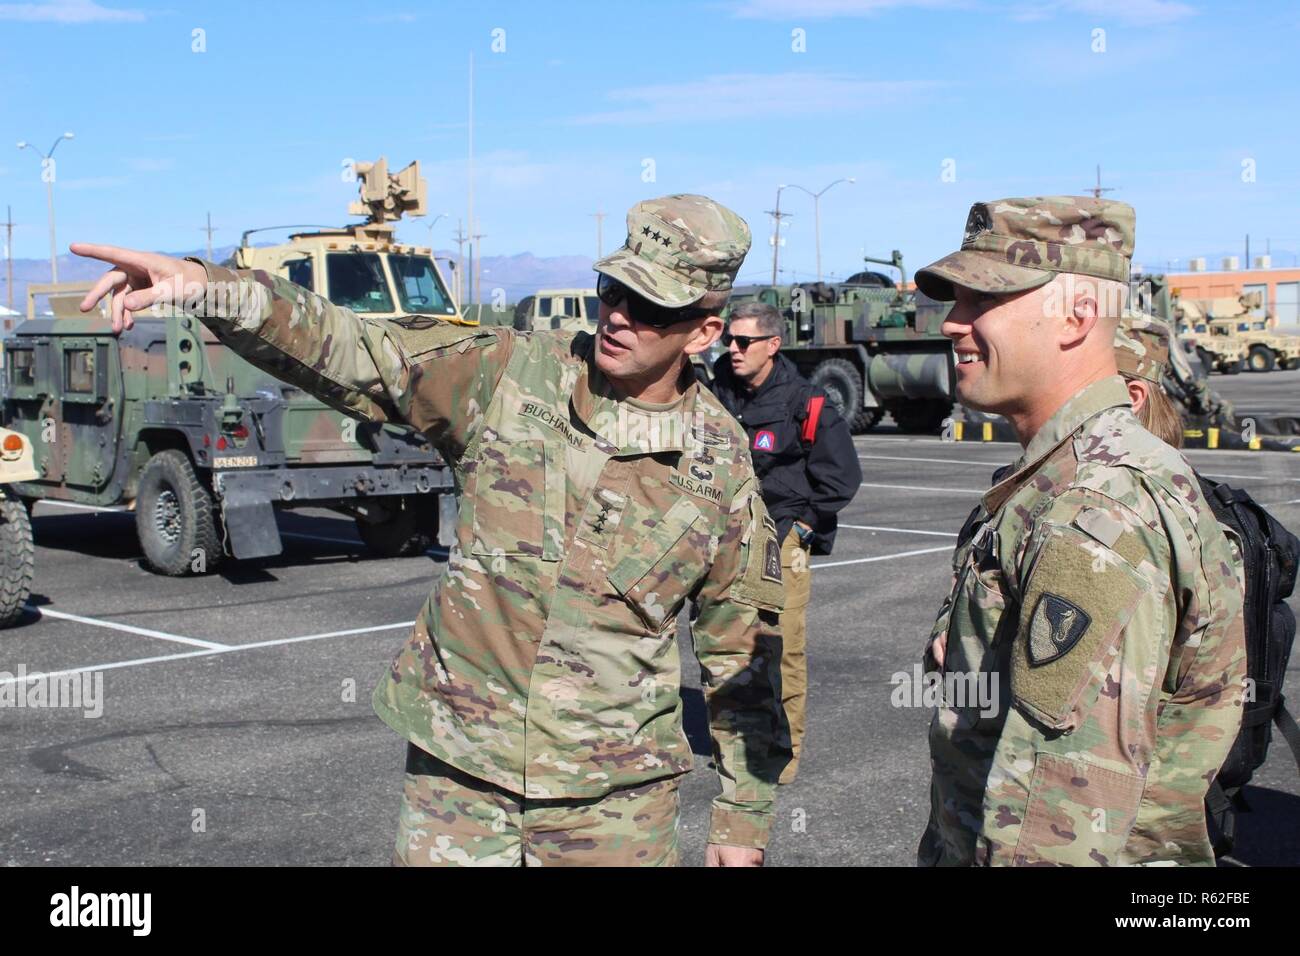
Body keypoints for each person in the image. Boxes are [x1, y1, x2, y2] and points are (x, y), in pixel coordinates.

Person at [70, 194, 787, 867]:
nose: (619, 316)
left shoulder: (718, 468)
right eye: (612, 292)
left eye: (650, 306)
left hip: (613, 807)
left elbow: (744, 653)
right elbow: (354, 347)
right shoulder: (509, 377)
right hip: (459, 779)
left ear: (705, 331)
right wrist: (207, 286)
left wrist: (742, 816)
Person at [914, 196, 1246, 866]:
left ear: (1079, 316)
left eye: (982, 300)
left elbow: (1057, 821)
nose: (953, 324)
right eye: (956, 300)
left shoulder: (1096, 511)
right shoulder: (1063, 476)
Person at [709, 301, 862, 783]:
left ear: (773, 346)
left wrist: (801, 530)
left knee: (782, 648)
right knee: (723, 645)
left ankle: (783, 752)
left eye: (743, 342)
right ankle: (730, 743)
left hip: (782, 540)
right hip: (725, 539)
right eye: (728, 341)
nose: (732, 349)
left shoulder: (807, 401)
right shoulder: (716, 393)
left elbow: (841, 478)